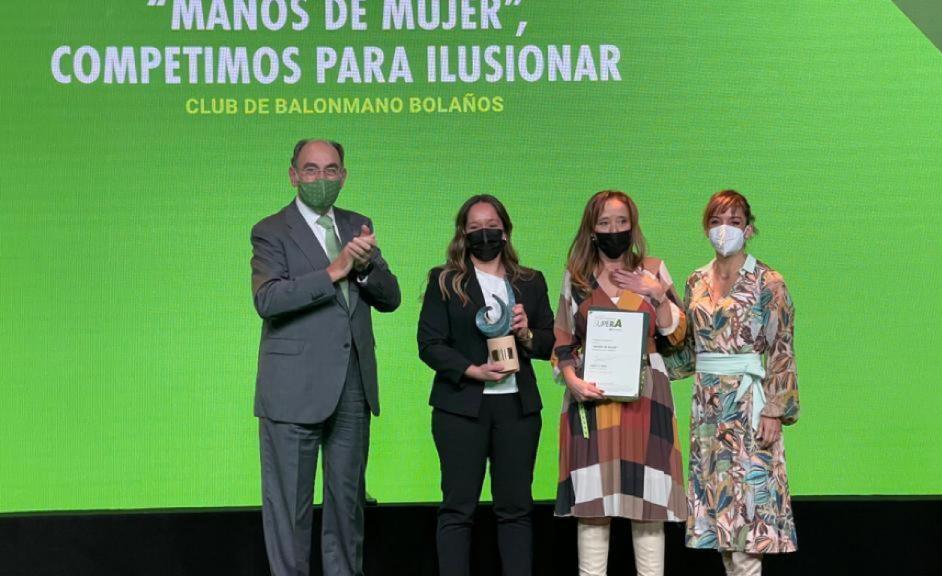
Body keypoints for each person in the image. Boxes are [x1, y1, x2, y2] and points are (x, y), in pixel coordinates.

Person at [250, 138, 401, 576]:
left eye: (331, 169)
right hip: (292, 390)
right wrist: (334, 271)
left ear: (343, 176)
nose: (322, 178)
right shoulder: (271, 230)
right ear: (293, 175)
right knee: (289, 511)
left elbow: (390, 298)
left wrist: (366, 267)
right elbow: (268, 299)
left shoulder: (357, 225)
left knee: (348, 506)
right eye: (311, 169)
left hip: (352, 386)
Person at [417, 194, 555, 576]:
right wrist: (472, 370)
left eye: (491, 226)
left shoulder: (530, 281)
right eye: (475, 227)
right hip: (461, 409)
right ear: (463, 234)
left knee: (516, 510)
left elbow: (549, 343)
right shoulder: (445, 281)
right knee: (457, 509)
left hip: (518, 410)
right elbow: (429, 344)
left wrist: (526, 334)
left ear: (505, 232)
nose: (484, 234)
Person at [552, 190, 688, 576]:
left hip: (647, 398)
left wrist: (657, 295)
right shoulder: (577, 277)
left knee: (648, 507)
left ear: (633, 225)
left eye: (622, 222)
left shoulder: (653, 270)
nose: (615, 229)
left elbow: (678, 336)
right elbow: (563, 340)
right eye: (605, 222)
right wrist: (571, 379)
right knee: (593, 507)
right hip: (592, 400)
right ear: (592, 229)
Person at [668, 189, 799, 576]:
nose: (724, 229)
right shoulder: (695, 280)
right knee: (722, 522)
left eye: (734, 221)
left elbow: (781, 348)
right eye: (716, 221)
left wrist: (774, 411)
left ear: (749, 229)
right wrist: (644, 366)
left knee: (747, 523)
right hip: (707, 409)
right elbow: (688, 351)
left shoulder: (768, 282)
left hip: (747, 407)